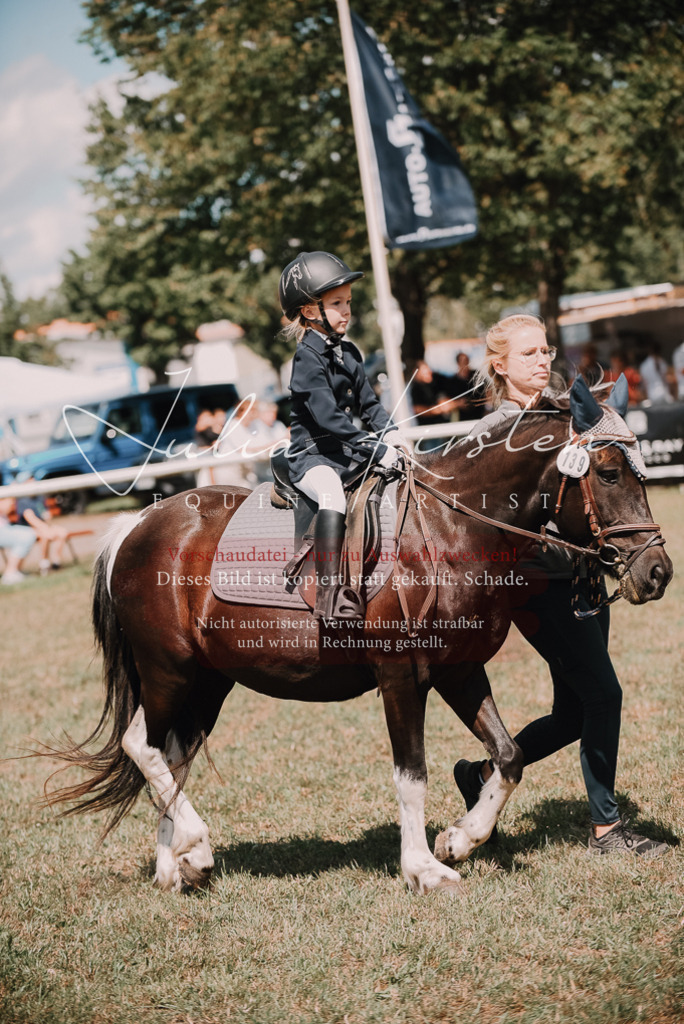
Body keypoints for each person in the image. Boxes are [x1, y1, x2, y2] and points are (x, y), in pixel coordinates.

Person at [453, 313, 669, 858]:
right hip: (538, 585)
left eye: (546, 350)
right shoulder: (489, 435)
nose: (543, 360)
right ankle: (607, 830)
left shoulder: (570, 415)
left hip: (587, 577)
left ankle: (480, 774)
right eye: (529, 353)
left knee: (576, 711)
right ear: (499, 365)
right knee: (604, 695)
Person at [280, 250, 406, 620]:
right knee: (333, 495)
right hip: (312, 456)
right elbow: (330, 418)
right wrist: (374, 447)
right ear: (309, 310)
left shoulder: (349, 353)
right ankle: (329, 594)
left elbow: (370, 405)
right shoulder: (306, 358)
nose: (347, 311)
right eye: (336, 304)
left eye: (348, 302)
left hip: (346, 454)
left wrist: (392, 435)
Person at [0, 496, 36, 584]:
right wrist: (9, 500)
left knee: (29, 533)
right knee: (26, 536)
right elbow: (5, 508)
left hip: (5, 528)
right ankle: (10, 573)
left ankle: (15, 571)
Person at [443, 351, 484, 420]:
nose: (465, 364)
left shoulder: (477, 376)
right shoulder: (452, 382)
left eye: (466, 361)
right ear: (458, 363)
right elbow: (447, 401)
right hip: (462, 418)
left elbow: (487, 392)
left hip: (479, 414)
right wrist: (458, 403)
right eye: (462, 361)